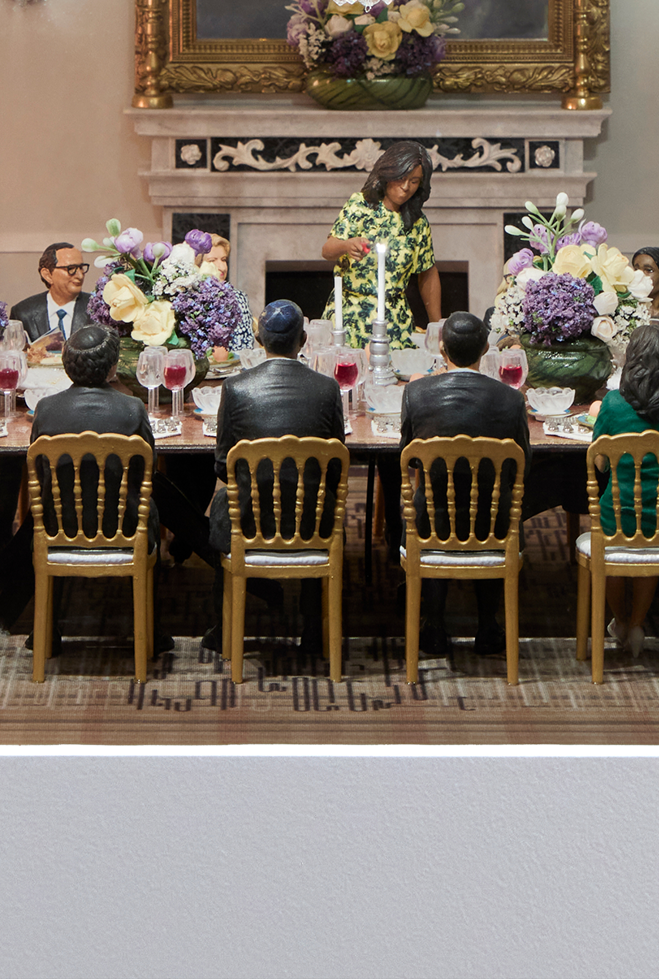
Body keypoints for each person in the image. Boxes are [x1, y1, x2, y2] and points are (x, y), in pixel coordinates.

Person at [0, 324, 169, 651]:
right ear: (113, 366)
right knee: (155, 505)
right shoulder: (133, 410)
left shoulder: (46, 409)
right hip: (123, 526)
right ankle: (151, 631)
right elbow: (147, 472)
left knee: (53, 503)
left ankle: (42, 628)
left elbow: (41, 473)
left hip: (58, 525)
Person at [199, 300, 346, 655]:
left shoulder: (235, 388)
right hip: (312, 521)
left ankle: (223, 629)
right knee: (313, 501)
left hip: (249, 518)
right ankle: (313, 628)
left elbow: (222, 465)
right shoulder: (327, 388)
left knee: (225, 506)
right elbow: (337, 464)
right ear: (304, 340)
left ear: (259, 340)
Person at [400, 309, 529, 658]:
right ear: (486, 348)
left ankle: (435, 626)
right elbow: (523, 466)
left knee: (435, 507)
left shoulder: (417, 394)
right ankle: (488, 626)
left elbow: (409, 457)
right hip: (494, 525)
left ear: (442, 350)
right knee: (488, 508)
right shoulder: (511, 399)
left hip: (430, 524)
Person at [587, 323, 659, 662]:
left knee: (614, 546)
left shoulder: (612, 404)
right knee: (653, 532)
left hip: (616, 517)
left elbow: (601, 464)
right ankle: (637, 623)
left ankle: (621, 621)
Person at [321, 141, 440, 347]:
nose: (406, 187)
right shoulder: (360, 205)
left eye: (414, 181)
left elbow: (427, 273)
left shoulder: (417, 223)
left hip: (395, 321)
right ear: (388, 174)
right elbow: (327, 249)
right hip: (349, 316)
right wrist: (347, 245)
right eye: (402, 178)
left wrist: (437, 326)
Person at [8, 241, 90, 363]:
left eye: (81, 268)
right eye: (71, 269)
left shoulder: (96, 308)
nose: (80, 275)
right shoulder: (23, 313)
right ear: (47, 275)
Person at [197, 234, 260, 361]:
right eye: (212, 260)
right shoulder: (187, 300)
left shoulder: (237, 298)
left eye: (224, 259)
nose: (222, 267)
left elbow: (244, 350)